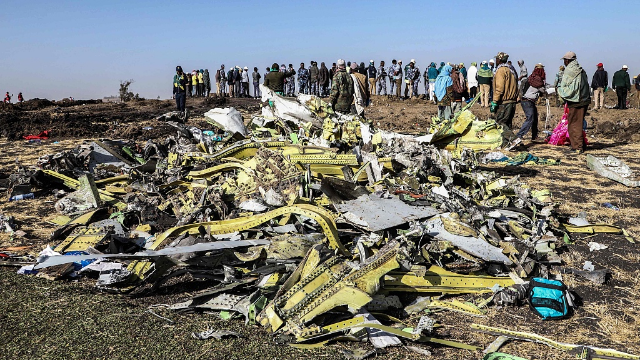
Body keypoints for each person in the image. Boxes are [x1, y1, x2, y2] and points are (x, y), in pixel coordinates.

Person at [558, 51, 591, 154]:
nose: (564, 62)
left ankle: (577, 147)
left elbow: (566, 87)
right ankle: (581, 145)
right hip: (584, 100)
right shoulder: (581, 70)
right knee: (579, 123)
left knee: (574, 124)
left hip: (576, 101)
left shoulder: (570, 70)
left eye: (565, 60)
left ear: (568, 60)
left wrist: (561, 94)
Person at [513, 64, 547, 146]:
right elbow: (542, 90)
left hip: (526, 101)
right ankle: (519, 136)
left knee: (534, 118)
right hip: (528, 101)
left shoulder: (531, 78)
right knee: (530, 118)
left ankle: (534, 136)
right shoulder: (538, 80)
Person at [491, 52, 518, 129]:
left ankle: (514, 140)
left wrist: (495, 101)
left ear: (499, 60)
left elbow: (500, 88)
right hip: (512, 101)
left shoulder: (500, 70)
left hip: (504, 102)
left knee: (500, 124)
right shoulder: (511, 70)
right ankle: (508, 141)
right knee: (508, 124)